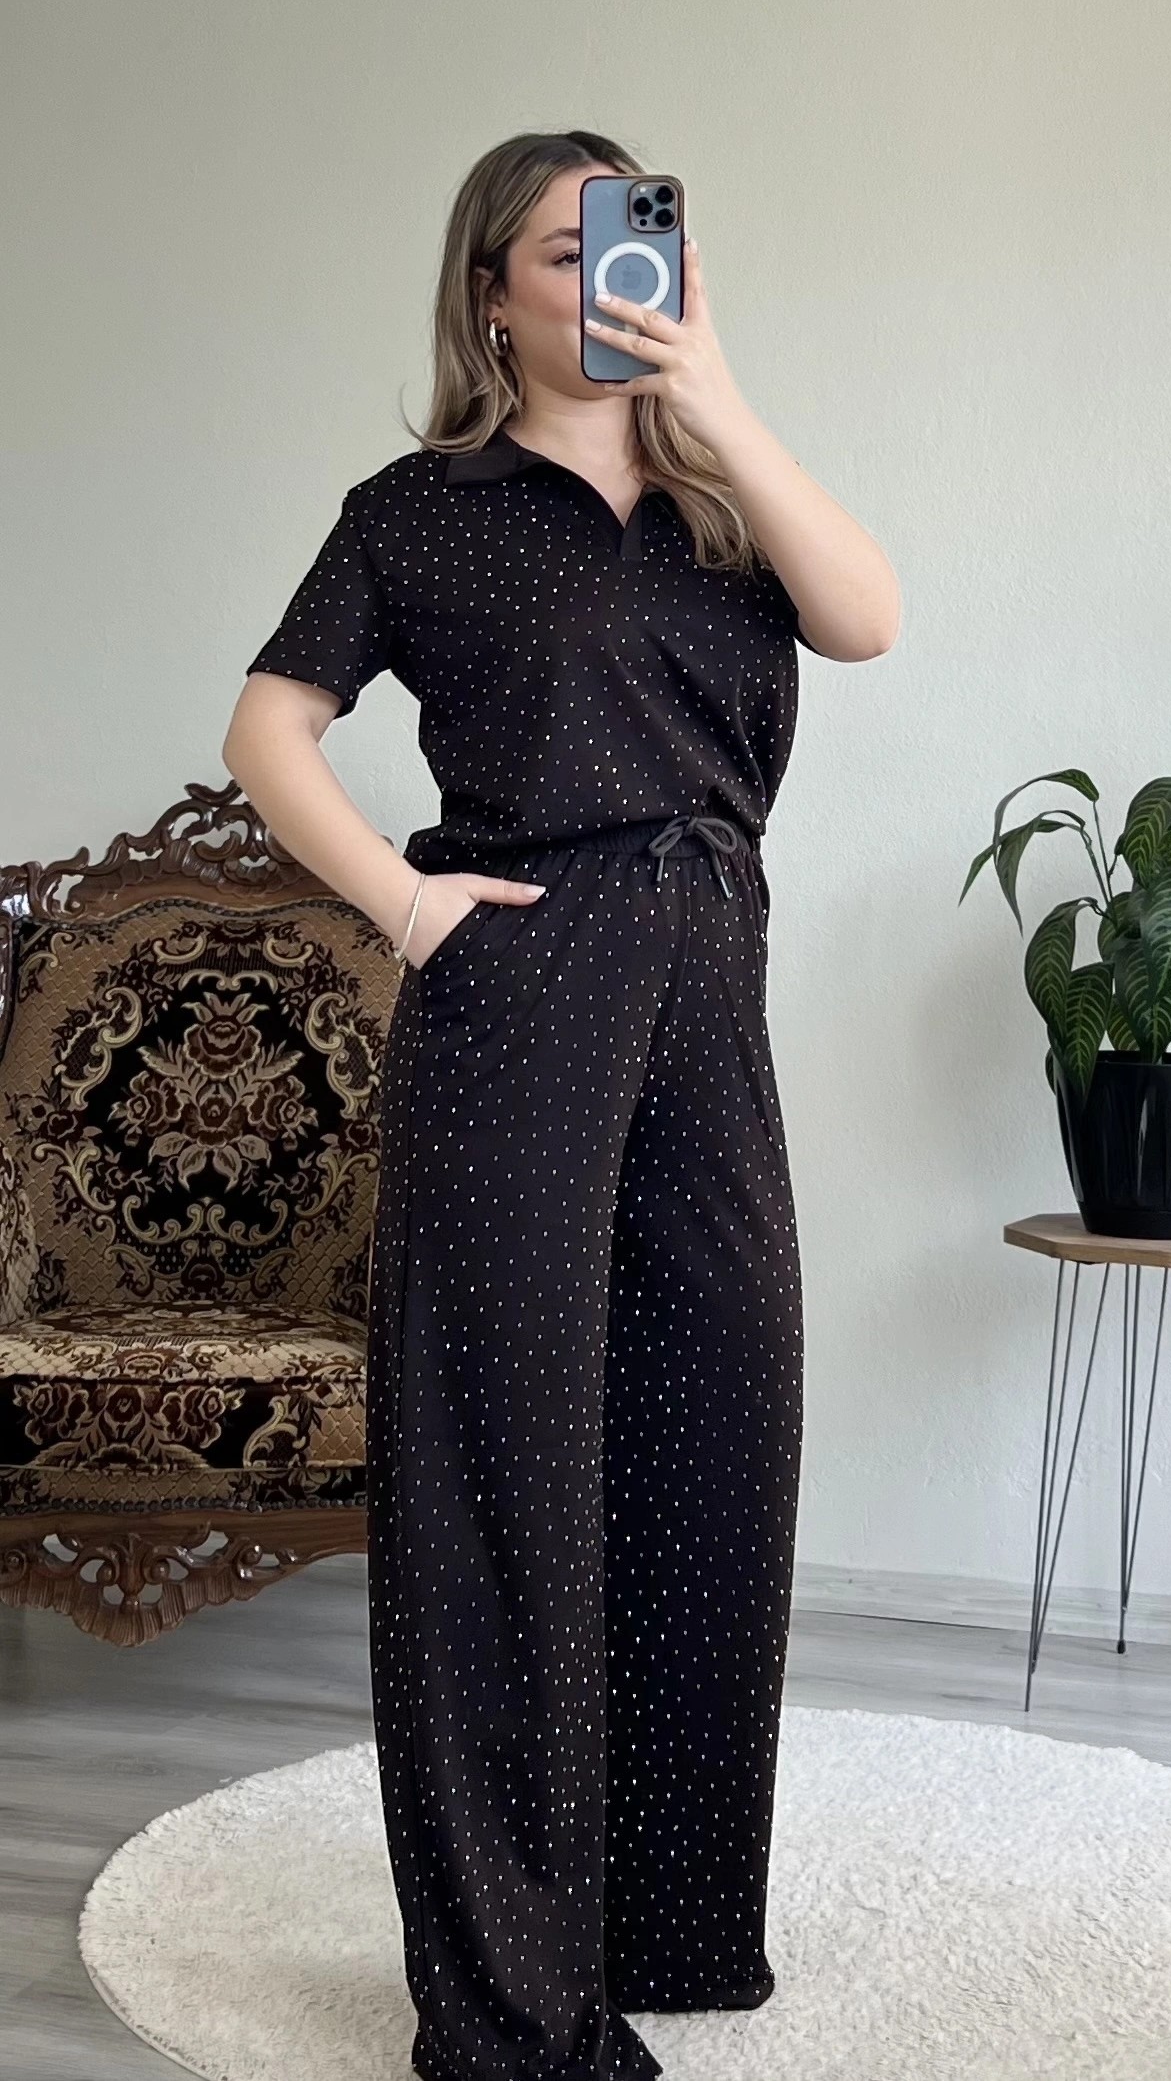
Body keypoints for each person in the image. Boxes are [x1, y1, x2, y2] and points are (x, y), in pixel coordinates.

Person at [222, 127, 898, 2081]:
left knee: (717, 1438)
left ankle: (669, 1929)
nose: (612, 275)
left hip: (709, 976)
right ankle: (511, 2007)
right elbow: (269, 725)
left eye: (636, 239)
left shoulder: (720, 502)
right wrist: (407, 903)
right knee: (501, 1476)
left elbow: (865, 617)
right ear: (491, 293)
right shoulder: (416, 514)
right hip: (522, 988)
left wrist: (716, 394)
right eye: (564, 247)